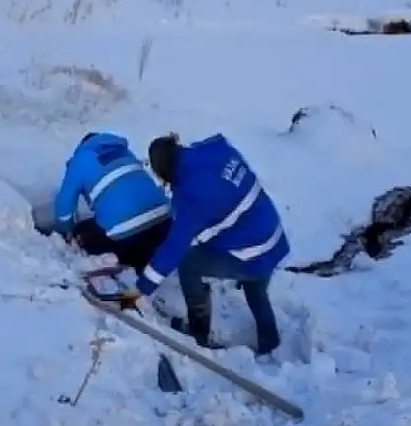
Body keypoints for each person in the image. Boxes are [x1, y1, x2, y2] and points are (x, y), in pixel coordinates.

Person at [122, 132, 290, 355]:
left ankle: (198, 330)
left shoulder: (192, 196)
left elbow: (175, 247)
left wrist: (141, 289)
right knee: (256, 286)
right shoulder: (213, 149)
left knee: (189, 263)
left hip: (252, 249)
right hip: (270, 232)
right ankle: (270, 343)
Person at [50, 132, 172, 274]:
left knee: (83, 232)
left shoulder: (80, 160)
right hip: (164, 226)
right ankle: (143, 260)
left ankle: (117, 260)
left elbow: (64, 206)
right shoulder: (125, 152)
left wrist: (65, 231)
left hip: (127, 237)